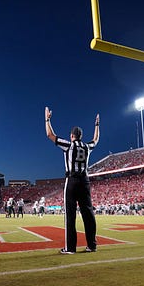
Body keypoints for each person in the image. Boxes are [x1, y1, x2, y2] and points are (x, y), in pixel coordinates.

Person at [45, 106, 100, 254]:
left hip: (72, 181)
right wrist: (97, 125)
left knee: (70, 214)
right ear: (81, 136)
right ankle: (92, 245)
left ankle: (70, 248)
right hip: (85, 181)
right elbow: (96, 140)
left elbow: (50, 135)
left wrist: (47, 119)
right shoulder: (86, 147)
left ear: (71, 136)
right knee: (88, 213)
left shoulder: (69, 145)